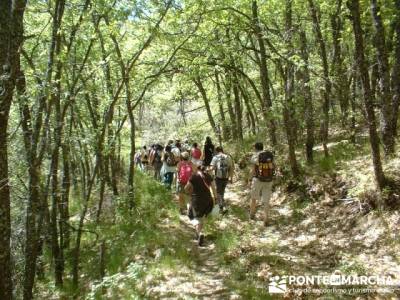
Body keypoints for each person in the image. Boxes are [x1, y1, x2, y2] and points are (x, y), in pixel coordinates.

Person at [185, 165, 217, 246]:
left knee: (191, 216)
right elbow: (213, 188)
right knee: (201, 218)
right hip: (208, 200)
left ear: (197, 169)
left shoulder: (194, 177)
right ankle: (198, 234)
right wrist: (215, 198)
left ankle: (200, 233)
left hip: (196, 200)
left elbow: (186, 188)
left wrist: (190, 192)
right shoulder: (209, 176)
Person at [249, 142, 275, 226]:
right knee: (266, 201)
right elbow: (274, 166)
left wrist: (249, 179)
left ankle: (252, 215)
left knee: (254, 198)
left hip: (257, 180)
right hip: (269, 180)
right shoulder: (269, 155)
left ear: (255, 148)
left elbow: (253, 170)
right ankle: (266, 218)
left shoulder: (255, 155)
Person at [210, 146, 234, 213]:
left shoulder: (215, 157)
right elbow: (231, 168)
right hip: (226, 177)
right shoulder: (228, 157)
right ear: (222, 150)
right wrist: (231, 178)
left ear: (216, 151)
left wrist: (208, 172)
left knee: (218, 191)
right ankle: (221, 203)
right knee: (222, 190)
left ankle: (220, 206)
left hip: (218, 177)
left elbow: (212, 168)